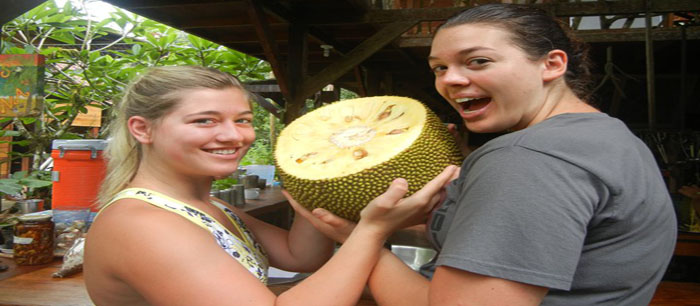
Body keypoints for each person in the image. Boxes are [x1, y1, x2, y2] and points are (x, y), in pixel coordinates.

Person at [297, 3, 678, 305]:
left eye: (477, 61)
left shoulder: (525, 158)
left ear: (552, 64)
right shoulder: (608, 135)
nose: (450, 80)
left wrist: (361, 238)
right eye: (439, 68)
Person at [83, 65, 458, 305]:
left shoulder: (209, 207)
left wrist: (317, 172)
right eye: (205, 121)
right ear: (142, 129)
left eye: (243, 120)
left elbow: (300, 256)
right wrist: (374, 229)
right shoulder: (142, 224)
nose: (233, 135)